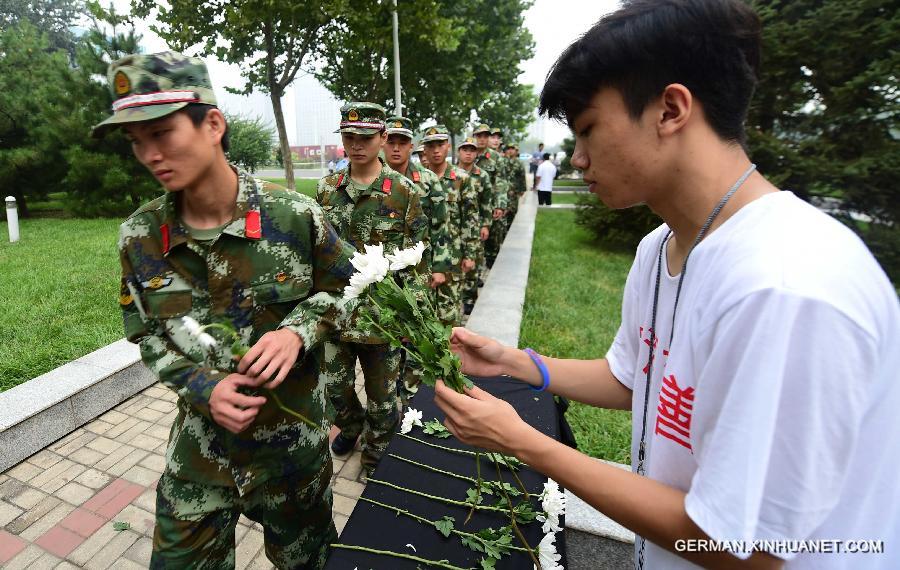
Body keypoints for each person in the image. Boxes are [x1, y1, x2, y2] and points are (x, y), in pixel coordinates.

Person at [434, 1, 900, 569]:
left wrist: (523, 441)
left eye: (587, 129)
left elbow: (741, 550)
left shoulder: (784, 286)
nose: (577, 158)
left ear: (671, 109)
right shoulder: (661, 248)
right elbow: (633, 379)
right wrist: (516, 362)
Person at [98, 51, 355, 569]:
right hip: (200, 457)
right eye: (136, 142)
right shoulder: (141, 236)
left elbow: (355, 292)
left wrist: (298, 330)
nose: (149, 154)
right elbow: (149, 335)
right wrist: (202, 387)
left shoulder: (295, 217)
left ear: (213, 123)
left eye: (162, 133)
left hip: (292, 456)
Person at [316, 102, 428, 475]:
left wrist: (412, 314)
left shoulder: (404, 192)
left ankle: (377, 454)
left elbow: (418, 257)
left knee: (383, 399)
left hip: (383, 319)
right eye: (349, 137)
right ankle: (351, 426)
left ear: (382, 138)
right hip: (337, 312)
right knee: (335, 389)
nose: (356, 145)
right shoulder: (328, 190)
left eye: (365, 137)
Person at [383, 116, 450, 404]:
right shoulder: (375, 179)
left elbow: (441, 227)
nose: (396, 149)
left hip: (419, 271)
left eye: (403, 143)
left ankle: (409, 393)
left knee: (417, 330)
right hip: (383, 273)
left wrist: (440, 268)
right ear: (384, 143)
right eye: (392, 142)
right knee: (388, 333)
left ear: (412, 147)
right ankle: (388, 391)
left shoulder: (429, 181)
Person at [422, 126, 480, 326]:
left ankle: (451, 353)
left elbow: (471, 218)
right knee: (423, 312)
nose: (436, 150)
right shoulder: (417, 180)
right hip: (423, 258)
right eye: (431, 146)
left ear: (448, 147)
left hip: (454, 256)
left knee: (449, 312)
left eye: (440, 145)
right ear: (424, 150)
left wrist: (470, 253)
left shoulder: (462, 179)